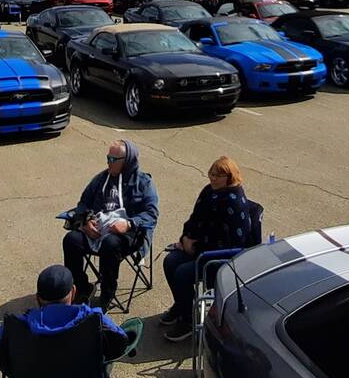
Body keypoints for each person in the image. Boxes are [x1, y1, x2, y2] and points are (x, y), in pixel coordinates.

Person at [0, 265, 131, 378]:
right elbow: (121, 343)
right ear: (73, 292)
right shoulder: (94, 319)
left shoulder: (14, 326)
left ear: (37, 298)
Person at [159, 156, 253, 342]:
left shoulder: (233, 203)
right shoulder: (209, 192)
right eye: (211, 173)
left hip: (219, 258)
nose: (212, 178)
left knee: (183, 274)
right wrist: (185, 238)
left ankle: (187, 321)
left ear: (229, 177)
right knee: (170, 262)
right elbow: (194, 219)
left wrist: (195, 247)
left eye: (218, 175)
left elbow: (227, 240)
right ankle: (183, 306)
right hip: (197, 248)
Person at [61, 139, 159, 308]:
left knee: (110, 244)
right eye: (108, 158)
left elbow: (151, 214)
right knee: (71, 240)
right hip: (98, 229)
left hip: (129, 235)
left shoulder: (143, 183)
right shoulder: (101, 179)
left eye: (113, 159)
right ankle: (82, 287)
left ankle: (108, 292)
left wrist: (128, 224)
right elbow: (83, 203)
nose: (108, 162)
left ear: (127, 161)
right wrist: (85, 221)